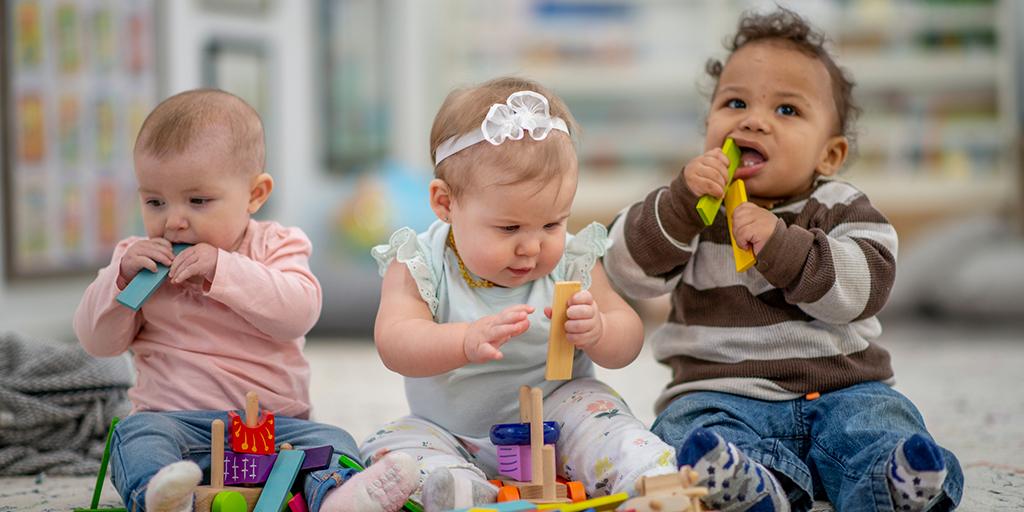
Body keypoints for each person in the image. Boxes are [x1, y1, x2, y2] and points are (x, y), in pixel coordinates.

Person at [603, 9, 962, 512]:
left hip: (841, 387)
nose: (753, 119)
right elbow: (625, 270)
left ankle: (889, 481)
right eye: (735, 102)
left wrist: (782, 245)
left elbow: (864, 287)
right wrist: (680, 205)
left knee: (881, 421)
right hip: (721, 392)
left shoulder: (841, 206)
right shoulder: (688, 209)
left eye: (787, 111)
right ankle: (748, 485)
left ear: (829, 155)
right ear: (709, 123)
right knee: (688, 430)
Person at [73, 89, 418, 512]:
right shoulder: (136, 260)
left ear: (255, 195)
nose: (174, 219)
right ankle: (162, 497)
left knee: (333, 440)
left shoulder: (277, 245)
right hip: (175, 423)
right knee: (134, 436)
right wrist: (119, 281)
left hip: (272, 428)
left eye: (198, 201)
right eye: (155, 201)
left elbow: (298, 312)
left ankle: (338, 496)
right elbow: (97, 342)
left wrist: (224, 269)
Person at [364, 77, 677, 511]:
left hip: (556, 415)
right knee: (390, 446)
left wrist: (600, 330)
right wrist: (462, 341)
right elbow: (395, 341)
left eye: (552, 224)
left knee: (601, 415)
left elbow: (628, 338)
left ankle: (652, 479)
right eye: (509, 228)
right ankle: (460, 488)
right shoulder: (420, 261)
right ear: (445, 203)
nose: (532, 246)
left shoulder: (572, 260)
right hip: (452, 430)